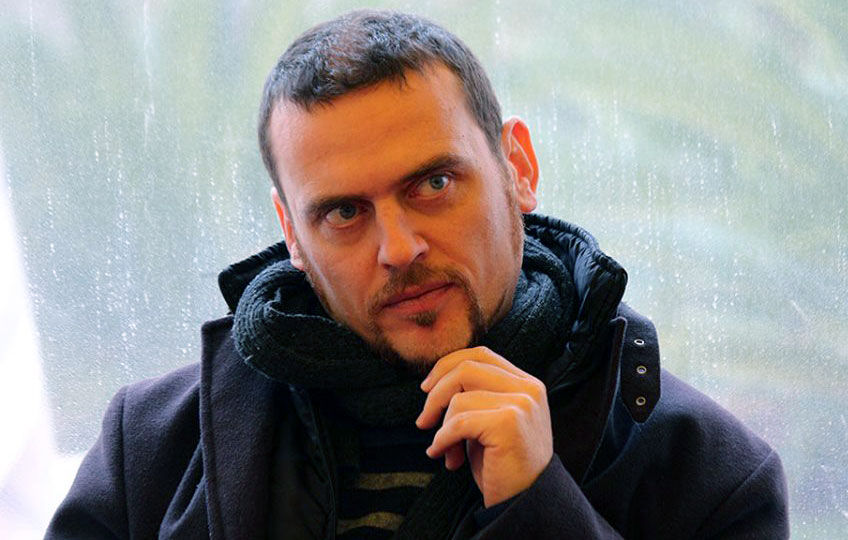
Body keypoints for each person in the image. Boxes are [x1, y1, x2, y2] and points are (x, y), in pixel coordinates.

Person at [46, 9, 788, 539]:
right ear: (291, 233)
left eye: (433, 184)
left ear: (518, 169)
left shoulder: (708, 477)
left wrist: (539, 510)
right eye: (344, 212)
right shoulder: (150, 451)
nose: (398, 249)